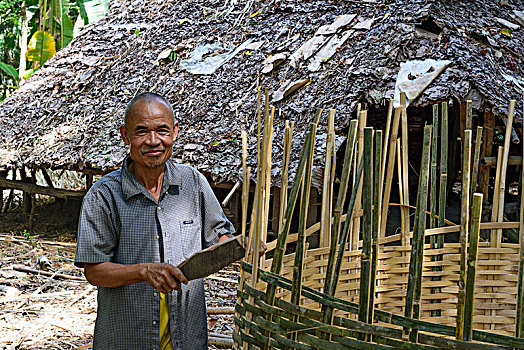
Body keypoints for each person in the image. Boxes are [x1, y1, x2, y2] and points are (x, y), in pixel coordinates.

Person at [75, 92, 239, 349]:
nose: (153, 141)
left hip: (186, 336)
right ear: (125, 136)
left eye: (162, 130)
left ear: (174, 132)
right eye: (141, 132)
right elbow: (94, 271)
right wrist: (142, 271)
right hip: (127, 338)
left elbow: (220, 237)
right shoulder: (104, 196)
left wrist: (241, 247)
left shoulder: (192, 183)